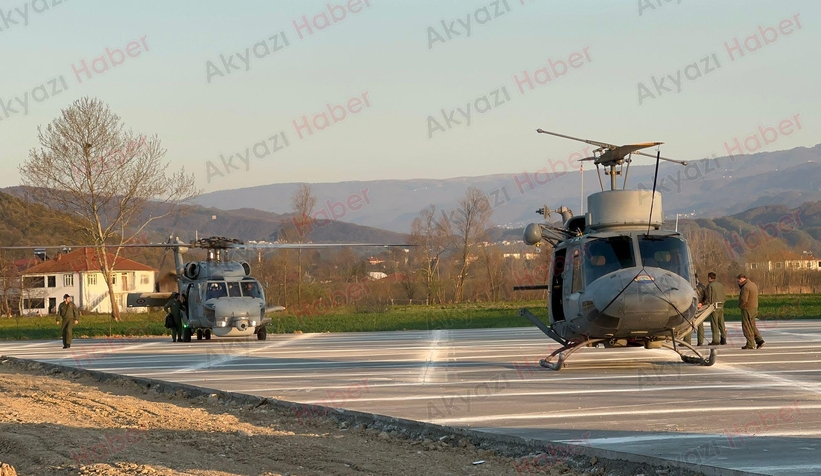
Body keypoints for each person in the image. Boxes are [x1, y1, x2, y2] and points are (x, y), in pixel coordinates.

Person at [737, 274, 764, 350]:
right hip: (754, 307)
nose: (738, 282)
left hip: (747, 308)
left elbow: (743, 299)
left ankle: (750, 343)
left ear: (742, 279)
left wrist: (740, 305)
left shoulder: (745, 287)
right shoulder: (753, 284)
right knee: (752, 325)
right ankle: (759, 340)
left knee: (746, 326)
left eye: (739, 280)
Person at [704, 272, 727, 345]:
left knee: (714, 324)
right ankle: (723, 339)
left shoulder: (709, 286)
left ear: (709, 278)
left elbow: (709, 297)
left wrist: (705, 304)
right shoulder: (721, 285)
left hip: (714, 306)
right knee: (721, 323)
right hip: (721, 305)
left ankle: (716, 340)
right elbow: (724, 296)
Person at [694, 274, 707, 346]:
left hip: (692, 306)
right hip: (699, 306)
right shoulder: (702, 286)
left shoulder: (688, 285)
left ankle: (687, 340)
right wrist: (702, 303)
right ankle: (700, 341)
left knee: (688, 323)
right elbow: (706, 296)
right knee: (700, 323)